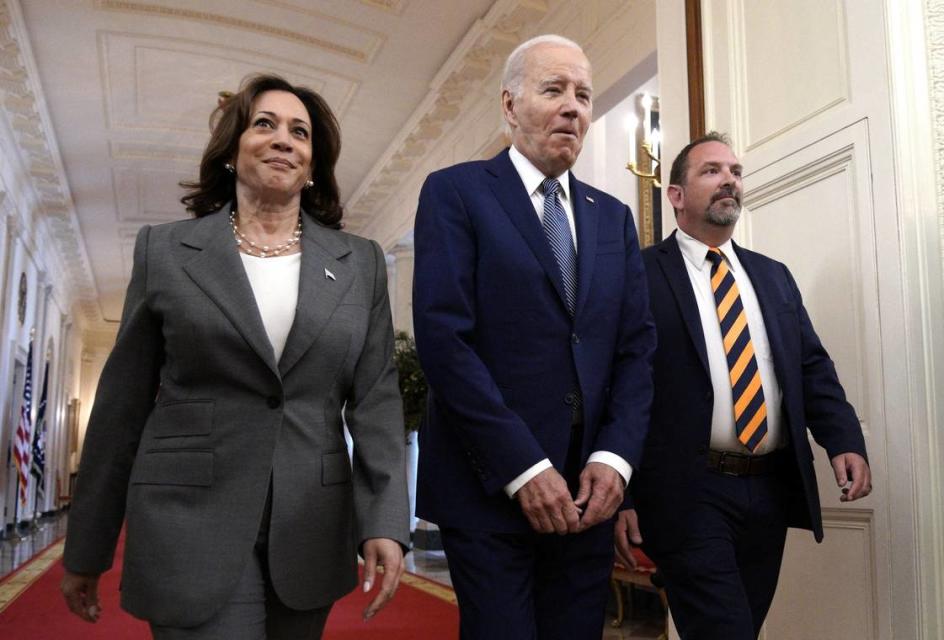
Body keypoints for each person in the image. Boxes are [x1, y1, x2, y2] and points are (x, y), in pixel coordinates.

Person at [60, 74, 409, 639]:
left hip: (310, 524)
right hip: (188, 520)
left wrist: (387, 520)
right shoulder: (166, 252)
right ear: (231, 149)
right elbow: (121, 409)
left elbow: (376, 401)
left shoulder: (360, 263)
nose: (282, 139)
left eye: (300, 132)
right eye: (264, 124)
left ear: (313, 163)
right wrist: (88, 547)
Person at [413, 34, 656, 640]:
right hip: (492, 492)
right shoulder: (456, 193)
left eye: (583, 94)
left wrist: (615, 458)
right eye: (554, 90)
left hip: (587, 496)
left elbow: (635, 350)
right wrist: (524, 467)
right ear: (508, 104)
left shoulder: (613, 216)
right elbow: (445, 341)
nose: (573, 106)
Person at [615, 132, 872, 639]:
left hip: (769, 488)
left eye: (734, 171)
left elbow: (811, 367)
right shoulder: (639, 275)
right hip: (688, 492)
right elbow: (618, 387)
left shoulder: (772, 276)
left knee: (742, 628)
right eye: (711, 171)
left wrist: (843, 439)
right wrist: (622, 492)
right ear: (676, 195)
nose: (728, 179)